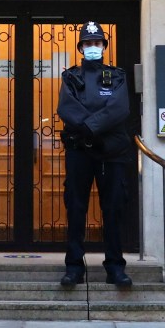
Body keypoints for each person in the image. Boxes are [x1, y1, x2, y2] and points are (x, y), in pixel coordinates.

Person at [57, 20, 133, 289]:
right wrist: (93, 128)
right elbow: (67, 108)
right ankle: (74, 267)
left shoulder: (117, 76)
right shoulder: (71, 77)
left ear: (104, 46)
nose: (92, 47)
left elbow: (119, 108)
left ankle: (115, 267)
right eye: (87, 43)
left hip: (111, 154)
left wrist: (91, 126)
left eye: (96, 43)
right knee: (76, 209)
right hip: (80, 152)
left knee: (113, 209)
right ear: (81, 47)